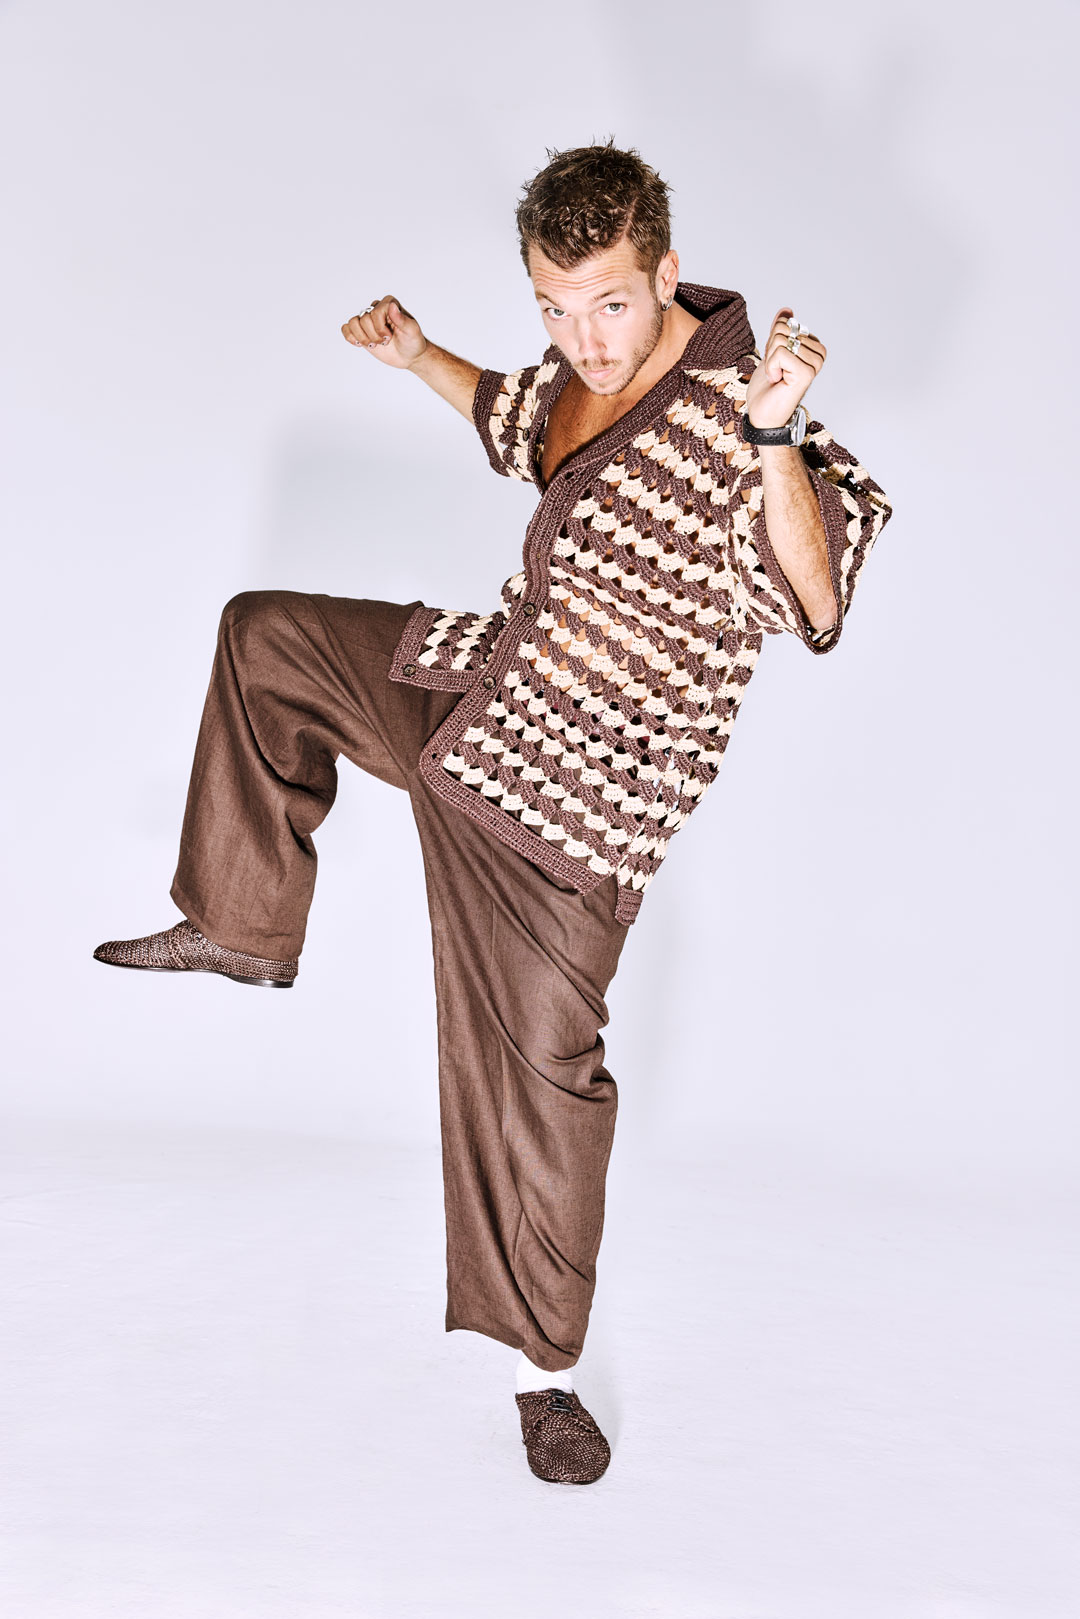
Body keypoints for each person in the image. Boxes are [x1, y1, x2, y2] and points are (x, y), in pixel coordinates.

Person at [93, 140, 893, 1486]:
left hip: (573, 815)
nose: (584, 338)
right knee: (266, 636)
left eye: (610, 304)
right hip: (475, 694)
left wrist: (771, 437)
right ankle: (243, 922)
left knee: (540, 1094)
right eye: (555, 308)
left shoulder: (748, 412)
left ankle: (548, 1381)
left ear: (669, 274)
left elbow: (812, 600)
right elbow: (516, 412)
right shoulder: (579, 380)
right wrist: (419, 356)